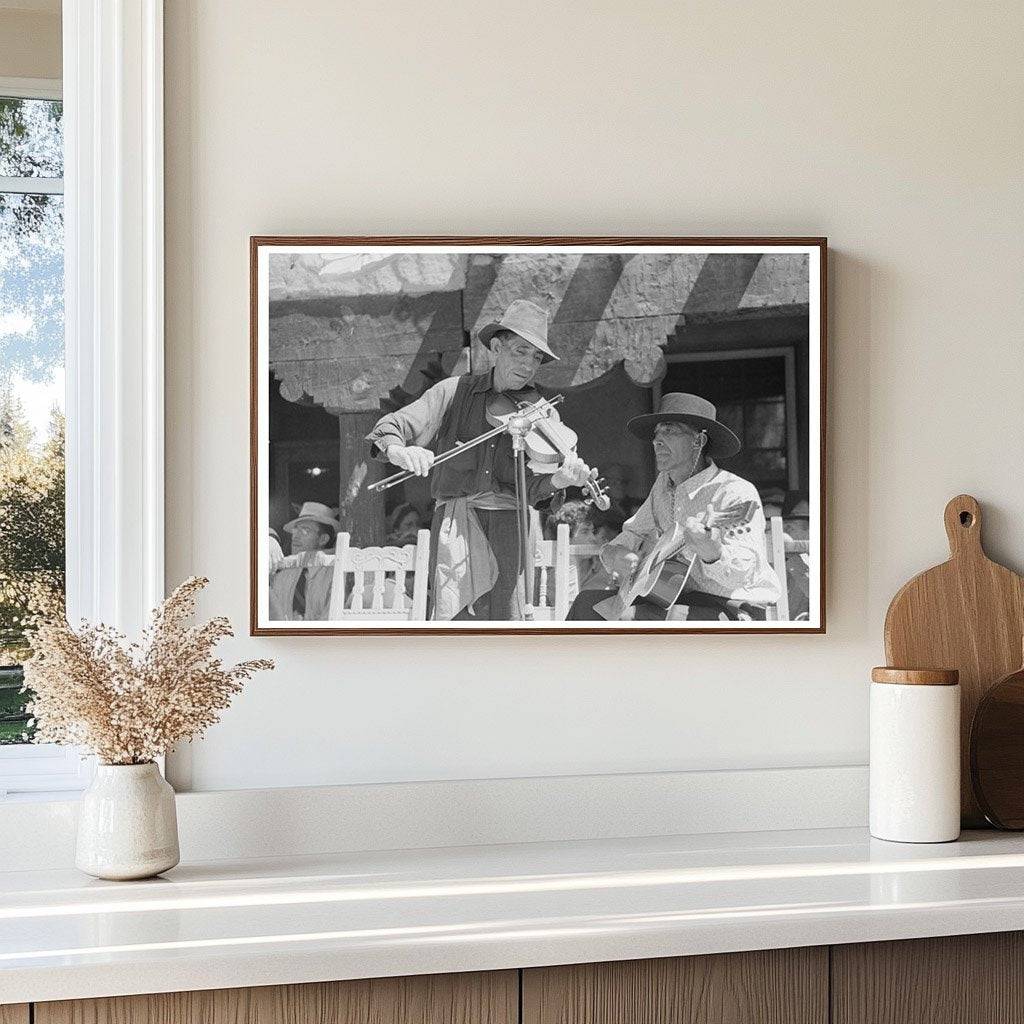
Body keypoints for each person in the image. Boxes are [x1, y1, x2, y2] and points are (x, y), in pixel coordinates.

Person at [365, 299, 592, 620]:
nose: (528, 365)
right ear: (496, 347)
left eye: (536, 357)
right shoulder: (453, 391)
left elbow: (537, 488)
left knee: (507, 619)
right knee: (456, 618)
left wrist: (560, 480)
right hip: (456, 523)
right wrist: (398, 450)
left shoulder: (544, 412)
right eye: (520, 352)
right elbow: (394, 425)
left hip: (510, 527)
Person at [567, 393, 781, 621]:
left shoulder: (735, 491)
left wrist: (712, 553)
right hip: (672, 599)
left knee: (628, 618)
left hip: (732, 605)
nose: (657, 440)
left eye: (669, 430)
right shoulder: (663, 485)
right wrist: (615, 553)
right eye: (656, 433)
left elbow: (742, 576)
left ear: (698, 441)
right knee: (586, 602)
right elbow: (634, 532)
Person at [268, 502, 340, 621]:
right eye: (295, 529)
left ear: (323, 539)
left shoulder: (334, 573)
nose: (295, 535)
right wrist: (270, 538)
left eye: (305, 530)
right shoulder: (281, 573)